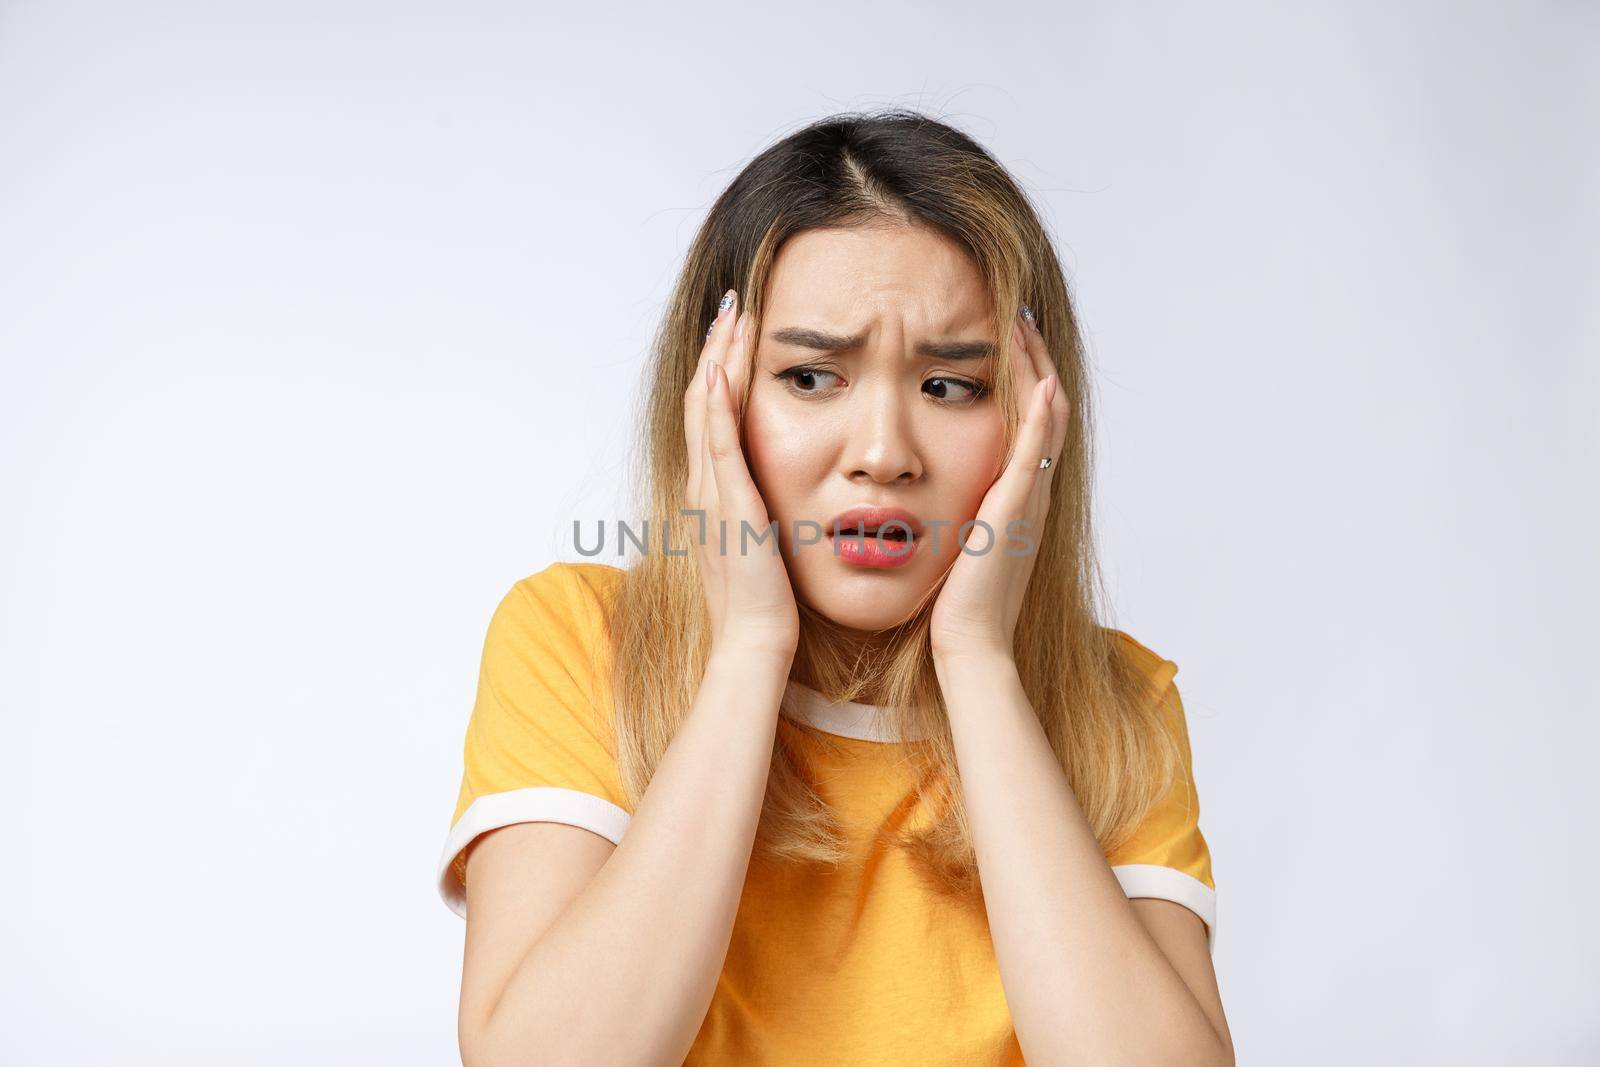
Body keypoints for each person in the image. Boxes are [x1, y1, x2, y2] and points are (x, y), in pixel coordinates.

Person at [436, 109, 1234, 1066]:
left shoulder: (1119, 704)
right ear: (713, 396)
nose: (884, 454)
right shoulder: (576, 639)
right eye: (812, 377)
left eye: (950, 387)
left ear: (1035, 420)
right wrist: (745, 655)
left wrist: (978, 663)